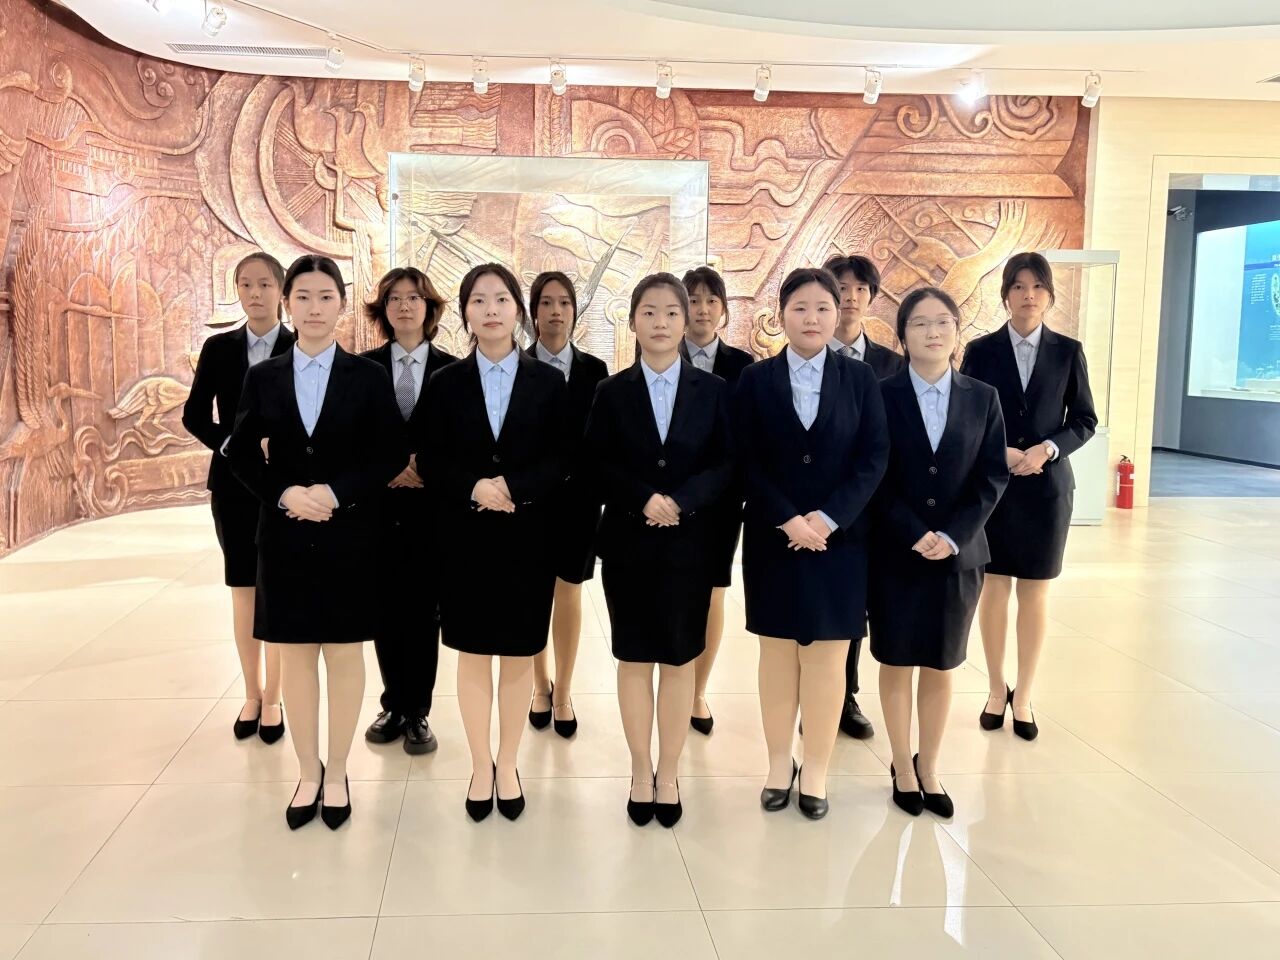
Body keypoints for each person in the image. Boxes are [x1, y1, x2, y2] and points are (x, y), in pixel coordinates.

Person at [228, 254, 405, 831]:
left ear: (342, 305)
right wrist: (283, 495)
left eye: (325, 297)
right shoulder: (264, 377)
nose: (313, 308)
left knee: (345, 654)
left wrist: (336, 492)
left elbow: (388, 453)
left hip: (350, 535)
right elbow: (239, 453)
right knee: (298, 655)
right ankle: (308, 771)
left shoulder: (367, 377)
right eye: (302, 296)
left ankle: (339, 772)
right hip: (283, 537)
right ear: (288, 304)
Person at [734, 266, 889, 820]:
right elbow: (742, 457)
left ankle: (817, 769)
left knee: (827, 659)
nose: (812, 318)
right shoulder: (755, 380)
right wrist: (786, 518)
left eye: (823, 307)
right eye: (800, 308)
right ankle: (780, 764)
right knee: (777, 656)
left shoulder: (860, 380)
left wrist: (827, 518)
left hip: (839, 543)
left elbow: (874, 458)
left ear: (837, 313)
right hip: (773, 539)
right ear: (782, 316)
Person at [420, 263, 569, 822]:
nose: (490, 309)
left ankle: (508, 763)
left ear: (517, 310)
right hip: (465, 538)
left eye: (501, 299)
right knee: (474, 652)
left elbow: (563, 456)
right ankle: (480, 764)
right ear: (465, 313)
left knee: (518, 654)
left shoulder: (548, 382)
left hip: (529, 536)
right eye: (478, 300)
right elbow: (431, 457)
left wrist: (515, 487)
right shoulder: (445, 383)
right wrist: (474, 486)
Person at [586, 273, 733, 828]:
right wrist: (643, 498)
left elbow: (727, 462)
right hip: (629, 543)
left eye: (672, 312)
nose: (662, 322)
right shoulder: (611, 392)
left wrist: (683, 501)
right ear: (632, 322)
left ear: (686, 320)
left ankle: (668, 771)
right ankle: (639, 769)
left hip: (690, 547)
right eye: (649, 312)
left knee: (678, 659)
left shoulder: (713, 391)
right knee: (633, 658)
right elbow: (595, 462)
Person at [868, 287, 1008, 818]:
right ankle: (902, 765)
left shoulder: (982, 397)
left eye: (943, 322)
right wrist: (911, 530)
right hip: (894, 552)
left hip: (959, 556)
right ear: (902, 335)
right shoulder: (881, 395)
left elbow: (991, 476)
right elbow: (873, 472)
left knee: (941, 662)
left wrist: (952, 535)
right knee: (898, 659)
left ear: (956, 331)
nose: (933, 332)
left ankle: (929, 765)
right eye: (920, 323)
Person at [960, 252, 1097, 741]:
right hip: (994, 489)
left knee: (1035, 591)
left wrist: (1048, 448)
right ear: (1005, 295)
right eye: (1018, 286)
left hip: (1046, 490)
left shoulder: (1068, 351)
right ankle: (996, 689)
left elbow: (1085, 420)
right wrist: (998, 451)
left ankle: (1026, 695)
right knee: (995, 588)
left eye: (1037, 286)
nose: (1028, 295)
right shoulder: (981, 350)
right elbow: (966, 414)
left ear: (1050, 294)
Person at [182, 252, 295, 745]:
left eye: (265, 284)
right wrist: (231, 444)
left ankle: (275, 698)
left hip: (286, 488)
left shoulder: (301, 345)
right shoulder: (219, 348)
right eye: (246, 284)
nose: (255, 293)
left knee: (279, 590)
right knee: (244, 589)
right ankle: (251, 692)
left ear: (281, 291)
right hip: (232, 486)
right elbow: (193, 414)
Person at [359, 267, 456, 756]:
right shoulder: (362, 369)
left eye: (414, 298)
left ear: (429, 307)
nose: (403, 305)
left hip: (432, 509)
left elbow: (462, 439)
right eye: (394, 298)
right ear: (383, 309)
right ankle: (392, 704)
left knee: (423, 613)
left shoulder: (453, 370)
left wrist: (425, 468)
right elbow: (352, 437)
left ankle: (417, 710)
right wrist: (389, 468)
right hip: (378, 507)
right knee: (384, 609)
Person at [822, 253, 906, 740]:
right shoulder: (806, 358)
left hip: (880, 507)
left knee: (862, 606)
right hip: (825, 509)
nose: (851, 297)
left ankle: (846, 695)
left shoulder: (892, 365)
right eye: (842, 287)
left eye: (860, 289)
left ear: (872, 297)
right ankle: (821, 695)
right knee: (830, 605)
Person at [525, 271, 608, 740]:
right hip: (530, 502)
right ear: (534, 312)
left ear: (575, 311)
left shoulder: (595, 370)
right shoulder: (517, 365)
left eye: (564, 303)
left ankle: (565, 691)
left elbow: (602, 440)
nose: (556, 311)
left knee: (569, 592)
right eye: (547, 303)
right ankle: (540, 685)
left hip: (579, 500)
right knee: (536, 593)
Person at [678, 265, 753, 737]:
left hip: (722, 501)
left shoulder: (743, 367)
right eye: (693, 299)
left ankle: (698, 690)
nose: (702, 309)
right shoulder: (660, 356)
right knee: (674, 590)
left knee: (712, 591)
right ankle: (674, 680)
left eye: (711, 300)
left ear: (723, 310)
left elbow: (746, 440)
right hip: (669, 501)